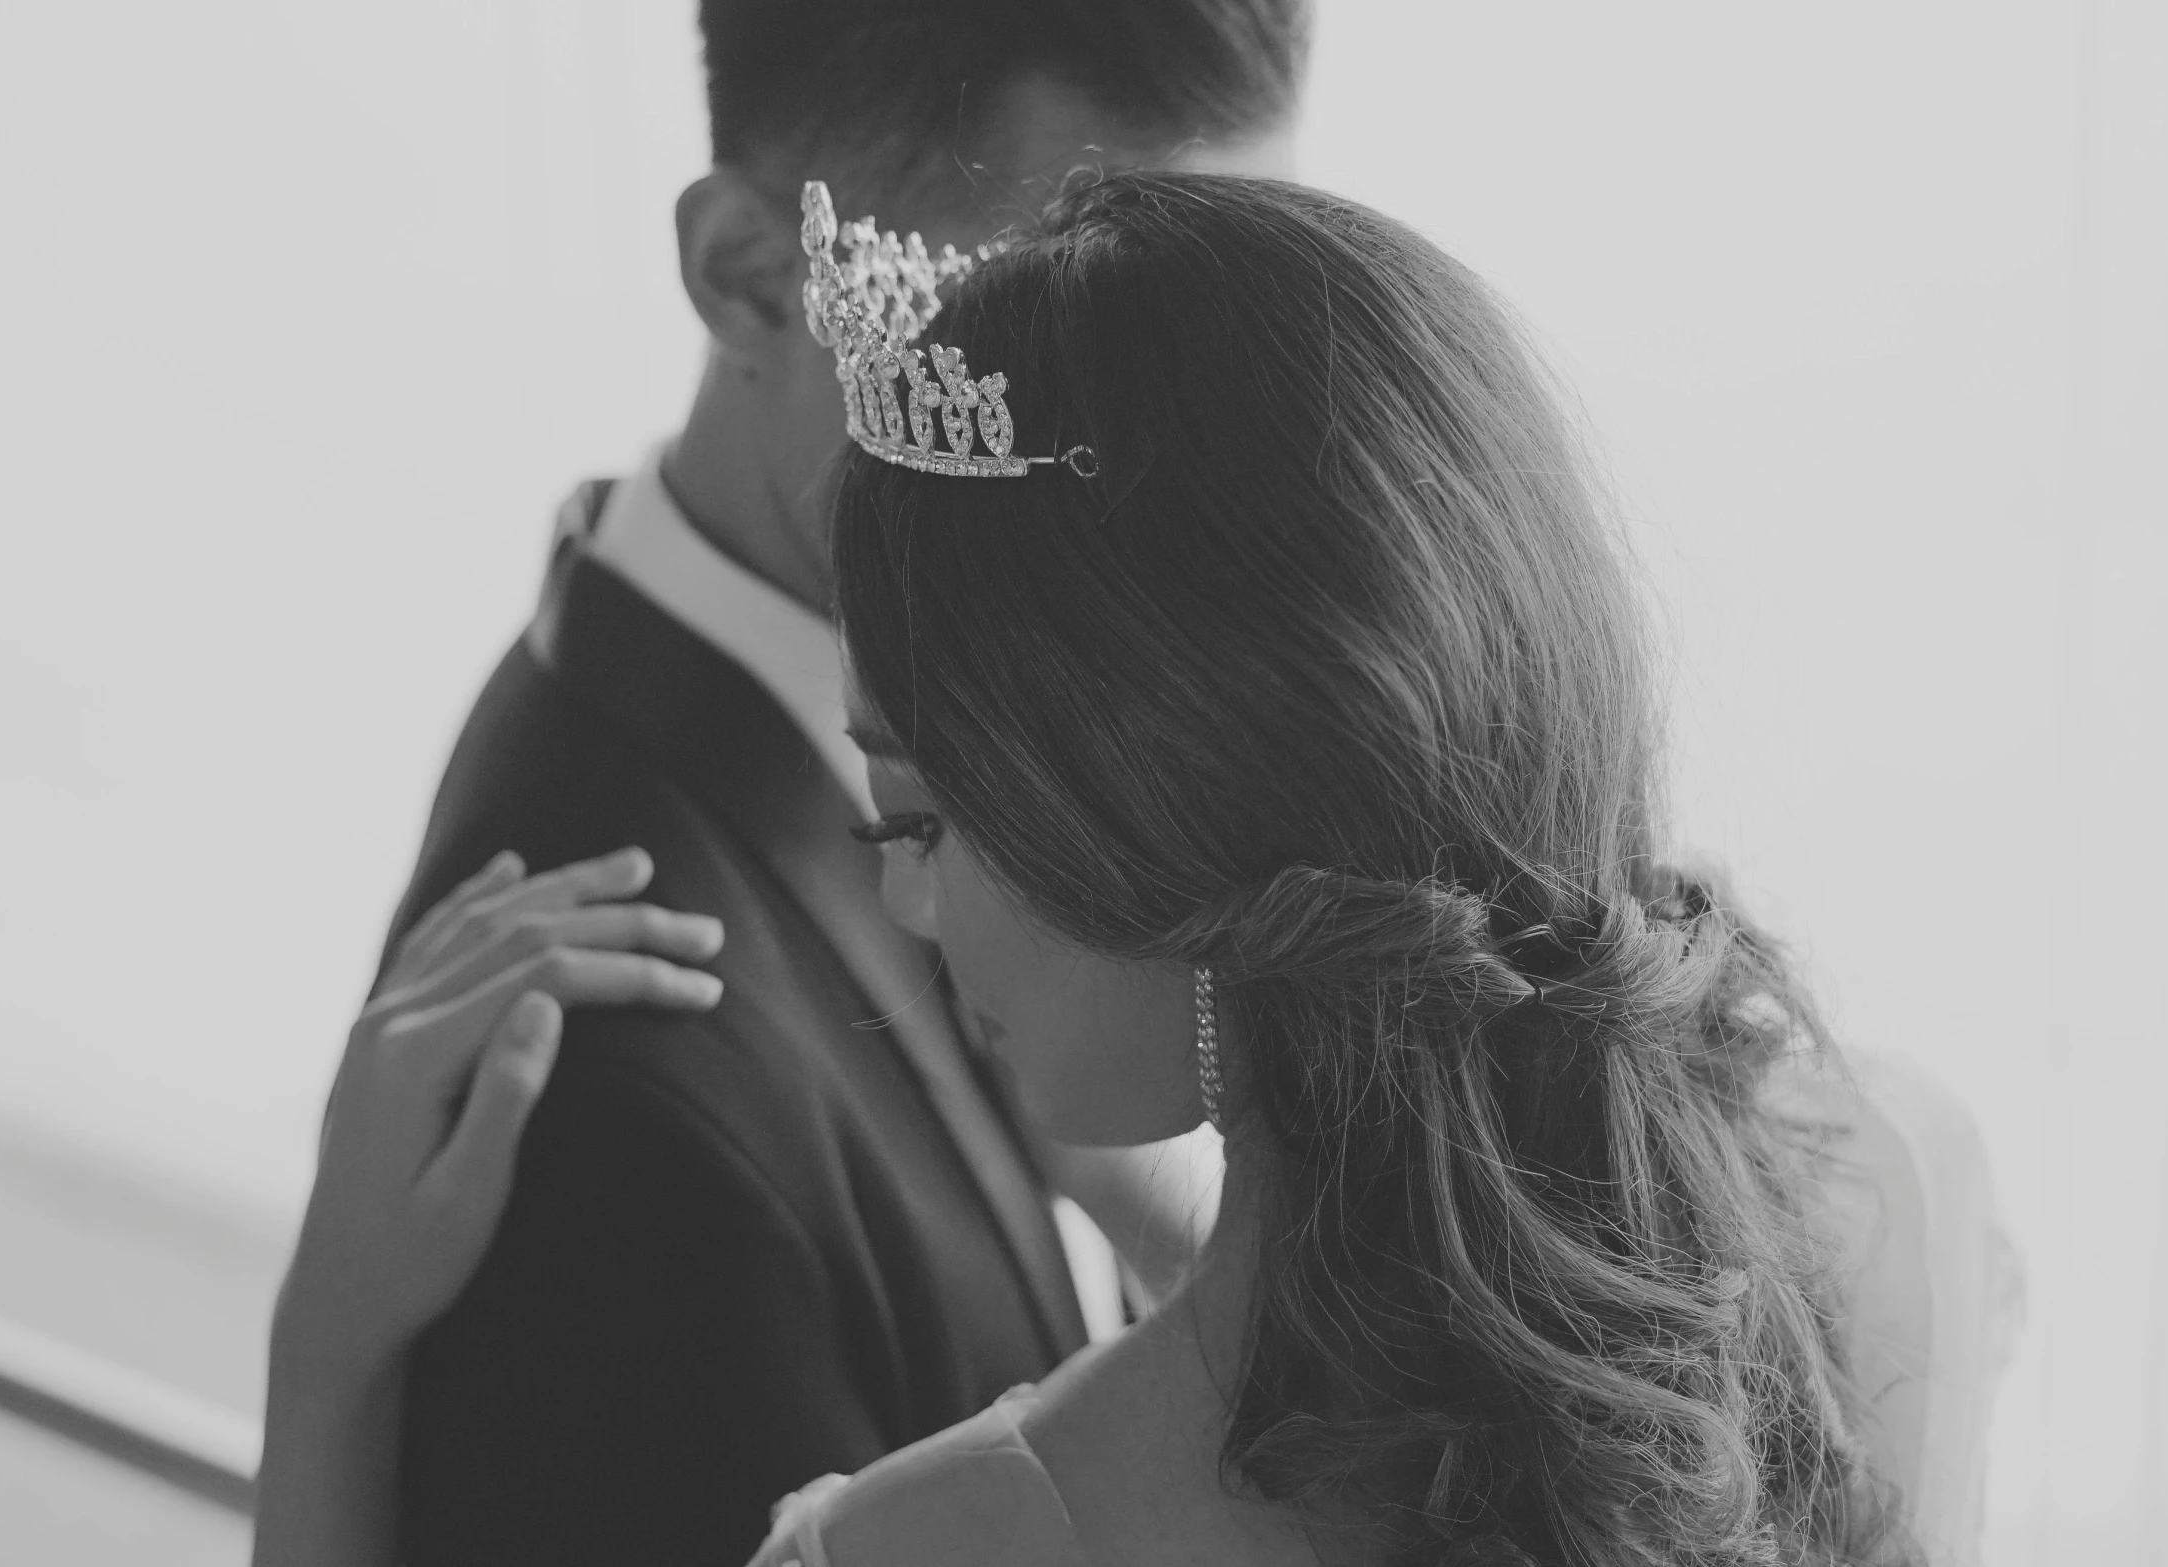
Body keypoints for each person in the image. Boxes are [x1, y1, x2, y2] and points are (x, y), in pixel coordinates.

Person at [260, 169, 1930, 1566]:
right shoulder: (1860, 1217)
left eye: (916, 822)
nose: (908, 911)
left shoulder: (943, 1545)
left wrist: (327, 1354)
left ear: (1154, 824)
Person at [363, 4, 1309, 1563]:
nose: (1173, 467)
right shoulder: (619, 1058)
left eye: (1219, 342)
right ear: (752, 275)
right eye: (1057, 329)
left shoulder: (1048, 793)